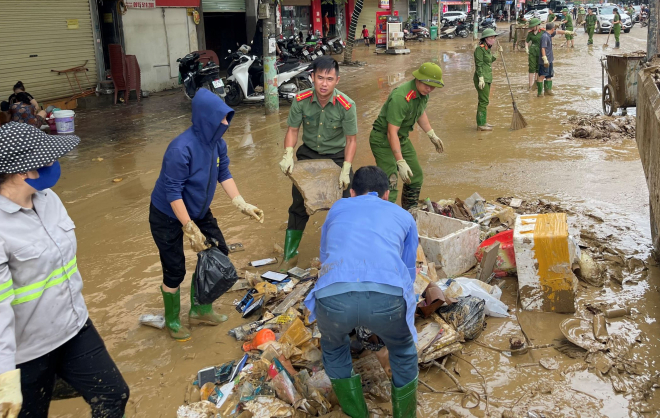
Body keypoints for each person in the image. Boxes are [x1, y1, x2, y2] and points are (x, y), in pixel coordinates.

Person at [0, 123, 130, 417]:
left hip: (75, 328)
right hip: (28, 352)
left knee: (114, 394)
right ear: (23, 171)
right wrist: (4, 374)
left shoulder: (50, 199)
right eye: (50, 158)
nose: (57, 164)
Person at [149, 88, 264, 341]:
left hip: (199, 210)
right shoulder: (180, 149)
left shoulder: (217, 144)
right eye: (221, 118)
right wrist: (189, 228)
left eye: (227, 117)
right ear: (205, 119)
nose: (226, 123)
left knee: (218, 252)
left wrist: (242, 203)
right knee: (174, 270)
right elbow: (172, 192)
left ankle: (200, 309)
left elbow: (224, 174)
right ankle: (173, 320)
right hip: (167, 213)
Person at [304, 166, 418, 418]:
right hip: (387, 300)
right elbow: (409, 273)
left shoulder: (337, 208)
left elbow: (325, 260)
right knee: (403, 349)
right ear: (386, 194)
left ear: (352, 193)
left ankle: (357, 414)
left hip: (332, 298)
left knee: (334, 348)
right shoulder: (404, 215)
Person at [279, 57, 357, 262]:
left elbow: (351, 141)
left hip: (338, 156)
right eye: (320, 77)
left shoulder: (347, 105)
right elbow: (293, 130)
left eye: (329, 79)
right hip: (309, 154)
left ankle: (346, 252)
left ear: (337, 80)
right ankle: (289, 256)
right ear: (312, 77)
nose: (324, 84)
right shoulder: (300, 99)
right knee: (299, 203)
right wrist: (288, 153)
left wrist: (346, 167)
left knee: (349, 202)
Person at [369, 62, 444, 209]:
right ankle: (385, 219)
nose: (429, 89)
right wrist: (400, 161)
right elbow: (391, 132)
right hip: (383, 140)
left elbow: (420, 111)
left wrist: (431, 134)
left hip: (401, 139)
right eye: (426, 84)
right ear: (418, 79)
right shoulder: (401, 97)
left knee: (415, 177)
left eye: (433, 86)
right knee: (390, 183)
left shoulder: (423, 94)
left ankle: (409, 212)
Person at [537, 22, 573, 96]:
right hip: (545, 61)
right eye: (554, 28)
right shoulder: (545, 36)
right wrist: (544, 59)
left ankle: (548, 91)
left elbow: (558, 32)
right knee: (542, 76)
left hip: (550, 59)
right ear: (552, 29)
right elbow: (543, 48)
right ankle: (540, 93)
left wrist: (567, 32)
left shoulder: (550, 34)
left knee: (549, 75)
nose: (555, 30)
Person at [474, 28, 499, 131]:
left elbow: (488, 61)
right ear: (485, 39)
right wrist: (480, 78)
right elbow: (478, 64)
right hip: (482, 78)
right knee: (483, 101)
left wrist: (496, 55)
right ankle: (480, 124)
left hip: (488, 77)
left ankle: (483, 121)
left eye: (494, 37)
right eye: (491, 37)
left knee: (485, 100)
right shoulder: (479, 49)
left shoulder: (487, 49)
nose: (493, 39)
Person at [526, 18, 543, 91]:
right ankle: (530, 85)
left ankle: (535, 84)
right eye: (531, 27)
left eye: (533, 26)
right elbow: (526, 41)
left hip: (540, 51)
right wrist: (526, 48)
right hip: (532, 51)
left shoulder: (543, 32)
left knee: (537, 68)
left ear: (537, 25)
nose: (532, 28)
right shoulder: (530, 33)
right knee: (531, 68)